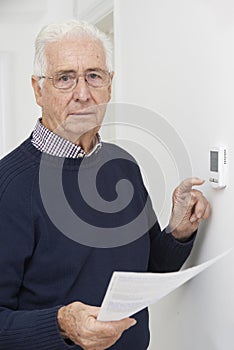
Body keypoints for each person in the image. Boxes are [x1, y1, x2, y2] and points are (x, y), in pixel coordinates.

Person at [0, 20, 210, 350]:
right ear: (38, 90)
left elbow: (149, 269)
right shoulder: (9, 186)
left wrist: (180, 230)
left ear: (109, 86)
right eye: (65, 78)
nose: (83, 94)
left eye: (94, 76)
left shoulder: (123, 164)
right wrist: (62, 324)